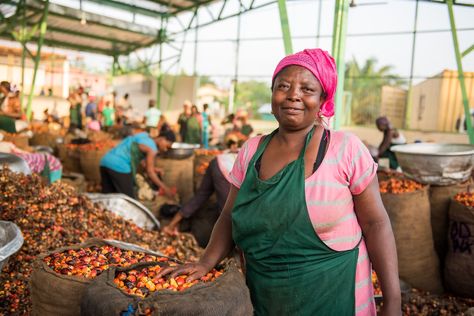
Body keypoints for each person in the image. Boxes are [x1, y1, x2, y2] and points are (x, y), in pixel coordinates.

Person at [157, 48, 401, 316]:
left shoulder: (345, 149)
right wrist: (206, 262)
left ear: (323, 100)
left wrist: (392, 301)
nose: (293, 95)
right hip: (266, 295)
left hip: (335, 294)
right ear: (273, 94)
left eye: (307, 89)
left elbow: (376, 223)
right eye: (283, 86)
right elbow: (229, 215)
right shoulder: (251, 152)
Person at [162, 136, 241, 246]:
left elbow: (201, 196)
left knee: (203, 196)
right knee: (230, 212)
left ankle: (171, 226)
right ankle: (230, 248)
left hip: (219, 161)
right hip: (228, 169)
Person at [100, 126, 175, 199]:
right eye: (167, 146)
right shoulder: (152, 148)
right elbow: (150, 172)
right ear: (162, 138)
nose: (165, 149)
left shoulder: (143, 135)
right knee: (128, 200)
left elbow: (143, 163)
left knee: (108, 196)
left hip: (105, 161)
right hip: (119, 166)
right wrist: (165, 188)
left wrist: (154, 169)